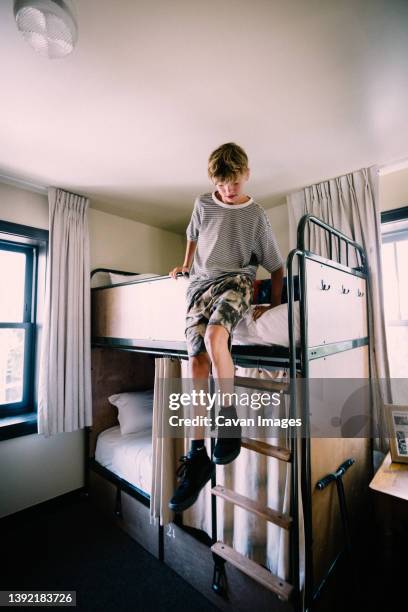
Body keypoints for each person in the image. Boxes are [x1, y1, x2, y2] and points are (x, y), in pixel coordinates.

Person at [168, 142, 284, 512]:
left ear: (246, 175)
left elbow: (276, 266)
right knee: (196, 362)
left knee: (217, 336)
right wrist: (185, 264)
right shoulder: (203, 204)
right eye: (221, 184)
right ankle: (197, 453)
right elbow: (192, 235)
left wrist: (275, 305)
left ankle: (229, 419)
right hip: (199, 286)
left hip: (236, 282)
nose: (227, 191)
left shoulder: (256, 215)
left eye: (233, 183)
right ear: (213, 181)